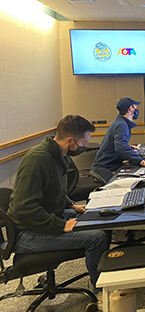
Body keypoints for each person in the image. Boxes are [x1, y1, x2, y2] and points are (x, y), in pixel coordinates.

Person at [8, 115, 109, 293]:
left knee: (99, 217)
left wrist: (71, 206)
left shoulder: (58, 155)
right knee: (96, 237)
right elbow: (23, 210)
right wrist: (61, 225)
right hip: (26, 233)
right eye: (83, 142)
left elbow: (54, 191)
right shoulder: (38, 160)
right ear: (70, 140)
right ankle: (99, 289)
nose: (85, 146)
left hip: (45, 219)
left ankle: (101, 275)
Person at [91, 97, 145, 180]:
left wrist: (127, 147)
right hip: (106, 169)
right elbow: (120, 147)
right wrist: (141, 161)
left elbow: (117, 144)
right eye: (135, 106)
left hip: (104, 167)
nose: (136, 109)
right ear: (130, 108)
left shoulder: (120, 122)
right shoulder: (121, 125)